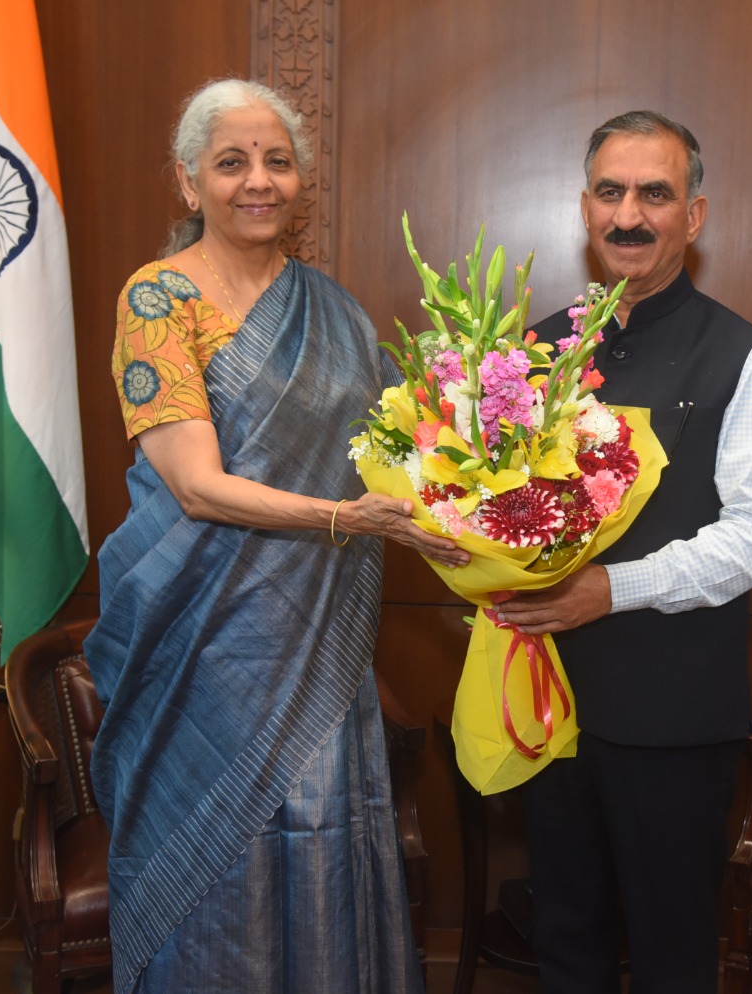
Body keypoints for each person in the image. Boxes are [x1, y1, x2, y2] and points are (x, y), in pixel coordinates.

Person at [84, 78, 467, 994]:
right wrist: (348, 519)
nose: (258, 180)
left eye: (278, 161)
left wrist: (515, 457)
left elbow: (403, 446)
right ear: (188, 184)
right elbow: (198, 486)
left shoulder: (333, 311)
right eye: (231, 162)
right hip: (201, 644)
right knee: (219, 849)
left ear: (302, 181)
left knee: (324, 826)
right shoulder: (158, 300)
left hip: (317, 634)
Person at [495, 110, 752, 992]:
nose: (630, 214)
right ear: (584, 209)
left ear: (693, 217)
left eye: (655, 195)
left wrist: (611, 589)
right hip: (546, 704)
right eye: (610, 192)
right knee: (565, 941)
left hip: (673, 720)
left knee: (671, 955)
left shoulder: (749, 359)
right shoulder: (535, 354)